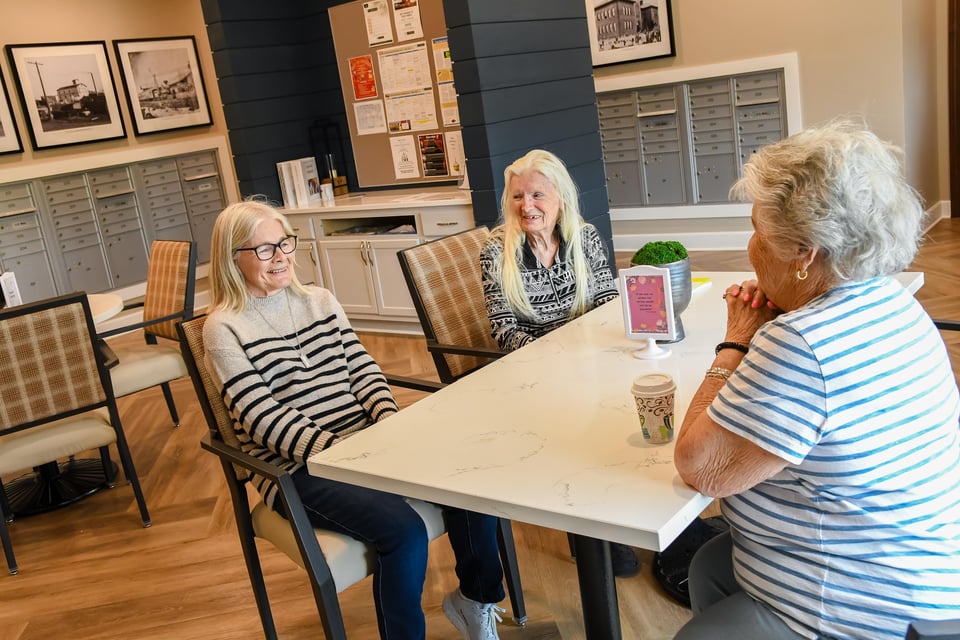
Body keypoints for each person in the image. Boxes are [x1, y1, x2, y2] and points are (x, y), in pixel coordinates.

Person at [672, 120, 960, 640]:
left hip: (865, 605)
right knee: (708, 564)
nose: (751, 244)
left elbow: (701, 466)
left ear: (803, 253)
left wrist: (737, 339)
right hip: (926, 572)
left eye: (758, 230)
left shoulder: (804, 342)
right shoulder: (895, 298)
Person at [203, 199, 508, 640]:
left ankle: (474, 602)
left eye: (285, 243)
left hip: (366, 444)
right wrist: (342, 454)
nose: (282, 257)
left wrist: (389, 425)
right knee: (403, 532)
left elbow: (363, 370)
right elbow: (260, 418)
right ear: (233, 259)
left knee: (469, 481)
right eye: (265, 250)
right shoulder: (224, 327)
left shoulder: (320, 300)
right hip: (297, 470)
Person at [478, 149, 639, 576]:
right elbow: (503, 331)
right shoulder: (497, 252)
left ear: (560, 198)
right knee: (580, 422)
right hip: (534, 374)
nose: (526, 206)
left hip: (590, 362)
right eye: (516, 197)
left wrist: (599, 354)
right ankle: (593, 532)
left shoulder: (583, 238)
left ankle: (624, 509)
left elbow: (607, 302)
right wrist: (558, 361)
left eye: (536, 195)